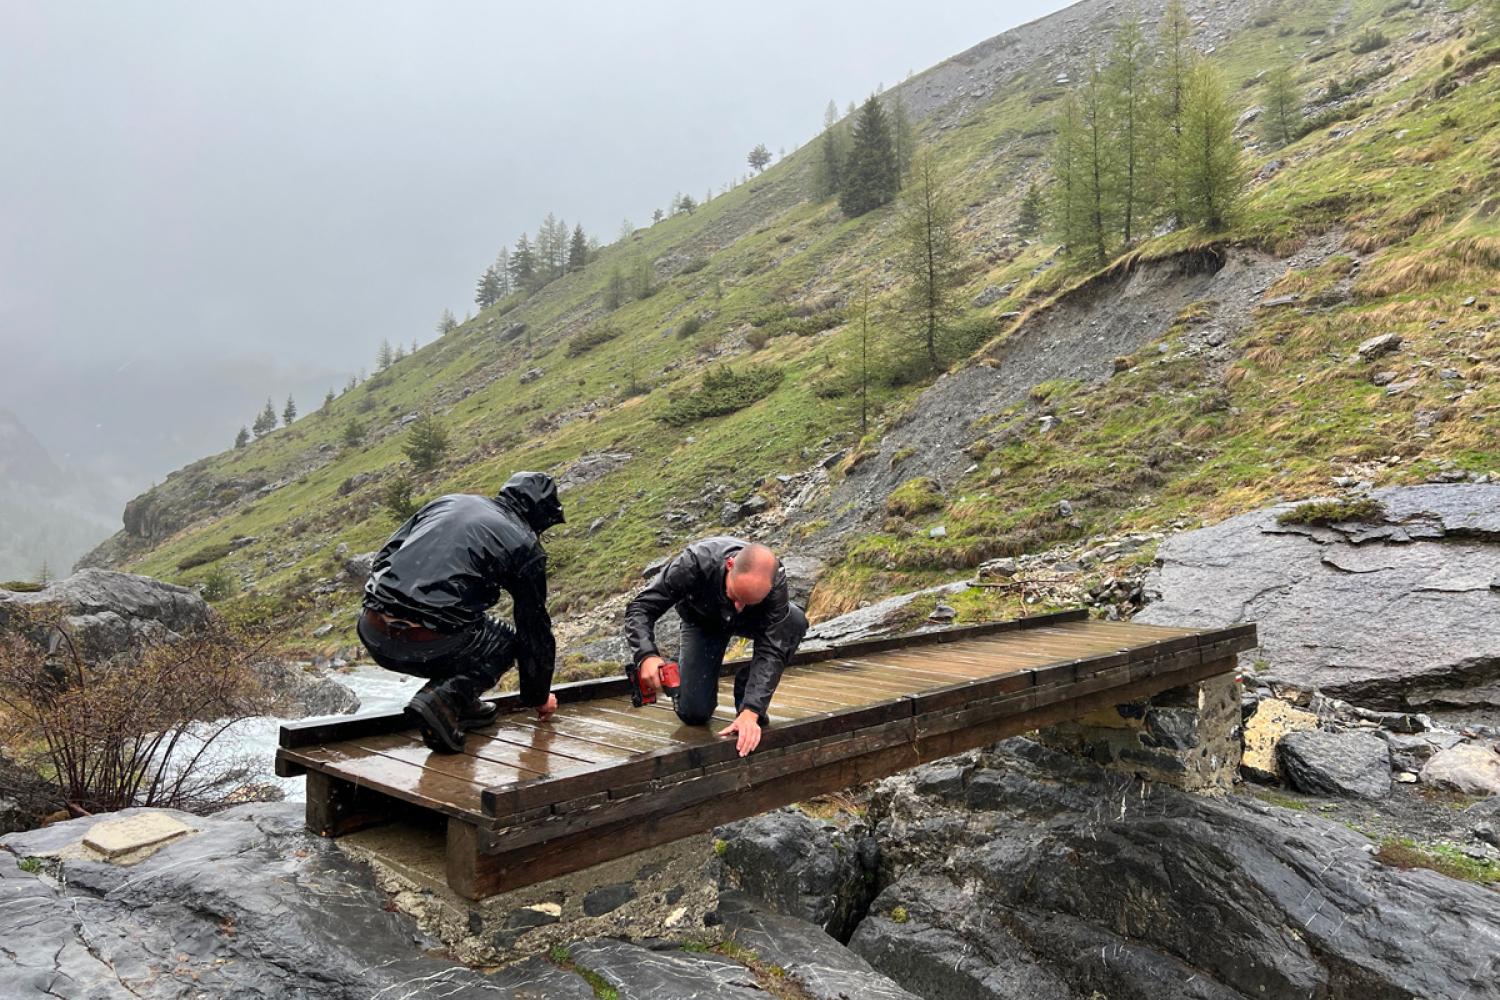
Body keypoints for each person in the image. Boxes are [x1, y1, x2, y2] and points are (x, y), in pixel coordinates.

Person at [357, 471, 563, 753]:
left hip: (373, 631)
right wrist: (538, 696)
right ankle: (443, 699)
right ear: (540, 516)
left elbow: (386, 555)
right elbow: (534, 629)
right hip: (427, 642)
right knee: (505, 642)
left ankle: (464, 705)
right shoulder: (524, 544)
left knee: (473, 623)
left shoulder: (447, 503)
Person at [624, 537, 808, 757]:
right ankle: (681, 662)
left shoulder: (775, 580)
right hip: (704, 621)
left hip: (750, 621)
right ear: (730, 565)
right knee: (694, 714)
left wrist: (751, 711)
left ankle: (745, 686)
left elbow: (773, 647)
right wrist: (646, 655)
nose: (739, 606)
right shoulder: (694, 563)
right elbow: (641, 608)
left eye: (749, 601)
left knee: (793, 621)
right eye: (736, 596)